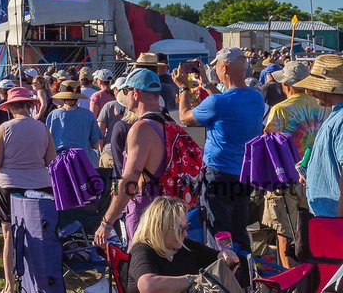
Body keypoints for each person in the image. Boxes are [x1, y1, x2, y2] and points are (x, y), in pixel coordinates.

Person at [178, 49, 265, 249]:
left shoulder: (218, 102)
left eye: (216, 66)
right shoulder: (256, 98)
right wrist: (207, 85)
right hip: (243, 173)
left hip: (218, 174)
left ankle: (223, 273)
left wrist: (184, 88)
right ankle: (244, 271)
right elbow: (226, 103)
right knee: (239, 228)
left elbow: (184, 117)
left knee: (219, 233)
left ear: (224, 67)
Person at [0, 87, 55, 293]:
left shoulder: (5, 128)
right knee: (39, 234)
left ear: (10, 108)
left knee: (9, 234)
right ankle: (40, 280)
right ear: (29, 106)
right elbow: (51, 160)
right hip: (39, 185)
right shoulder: (42, 128)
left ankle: (9, 285)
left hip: (10, 184)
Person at [95, 69, 172, 246]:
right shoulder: (166, 123)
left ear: (135, 93)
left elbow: (129, 181)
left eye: (126, 91)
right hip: (165, 211)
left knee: (142, 270)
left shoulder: (140, 129)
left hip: (145, 215)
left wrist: (106, 222)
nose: (124, 96)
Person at [262, 60, 327, 266]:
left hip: (285, 177)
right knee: (309, 230)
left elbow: (268, 142)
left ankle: (290, 281)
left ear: (286, 85)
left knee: (285, 232)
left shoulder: (280, 109)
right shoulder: (320, 106)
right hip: (312, 175)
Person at [126, 196, 238, 293]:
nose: (185, 234)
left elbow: (215, 258)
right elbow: (148, 286)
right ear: (160, 228)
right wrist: (193, 279)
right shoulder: (141, 250)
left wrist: (225, 256)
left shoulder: (181, 245)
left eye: (186, 227)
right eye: (179, 229)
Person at [294, 54, 343, 217]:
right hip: (328, 215)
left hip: (334, 219)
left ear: (327, 87)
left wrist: (339, 222)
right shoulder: (335, 114)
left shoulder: (341, 119)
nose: (313, 92)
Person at [45, 89, 101, 162]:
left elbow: (47, 142)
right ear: (77, 98)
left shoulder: (53, 115)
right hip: (84, 161)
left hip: (59, 161)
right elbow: (95, 145)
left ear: (63, 98)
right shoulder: (88, 114)